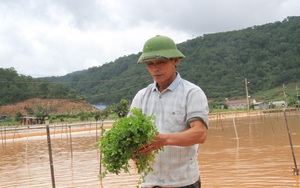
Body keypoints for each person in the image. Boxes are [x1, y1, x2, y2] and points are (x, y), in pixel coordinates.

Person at [130, 35, 209, 188]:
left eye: (161, 62)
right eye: (150, 64)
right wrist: (133, 152)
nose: (155, 68)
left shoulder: (192, 93)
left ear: (175, 61)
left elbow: (200, 133)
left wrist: (164, 140)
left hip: (183, 182)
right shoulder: (141, 96)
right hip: (149, 183)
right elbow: (131, 135)